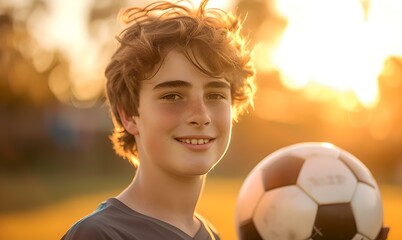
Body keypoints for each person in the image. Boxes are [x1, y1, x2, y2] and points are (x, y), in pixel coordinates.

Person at [61, 0, 256, 239]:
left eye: (215, 95)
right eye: (172, 96)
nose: (201, 116)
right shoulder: (99, 234)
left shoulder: (211, 235)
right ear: (129, 115)